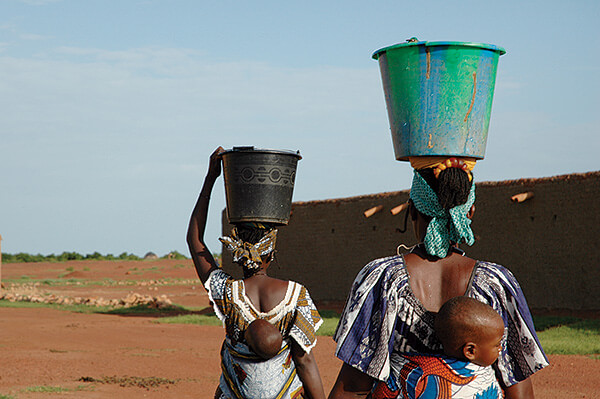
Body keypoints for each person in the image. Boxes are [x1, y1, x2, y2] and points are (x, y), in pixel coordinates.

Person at [328, 157, 548, 399]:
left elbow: (352, 386)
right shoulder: (497, 284)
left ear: (411, 210)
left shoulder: (383, 279)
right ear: (470, 212)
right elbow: (519, 388)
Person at [187, 147, 326, 399]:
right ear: (271, 253)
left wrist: (211, 178)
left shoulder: (227, 293)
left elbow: (195, 241)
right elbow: (305, 361)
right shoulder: (297, 296)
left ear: (237, 252)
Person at [372, 296, 505, 399]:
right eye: (496, 344)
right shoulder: (482, 373)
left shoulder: (409, 367)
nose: (500, 348)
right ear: (470, 351)